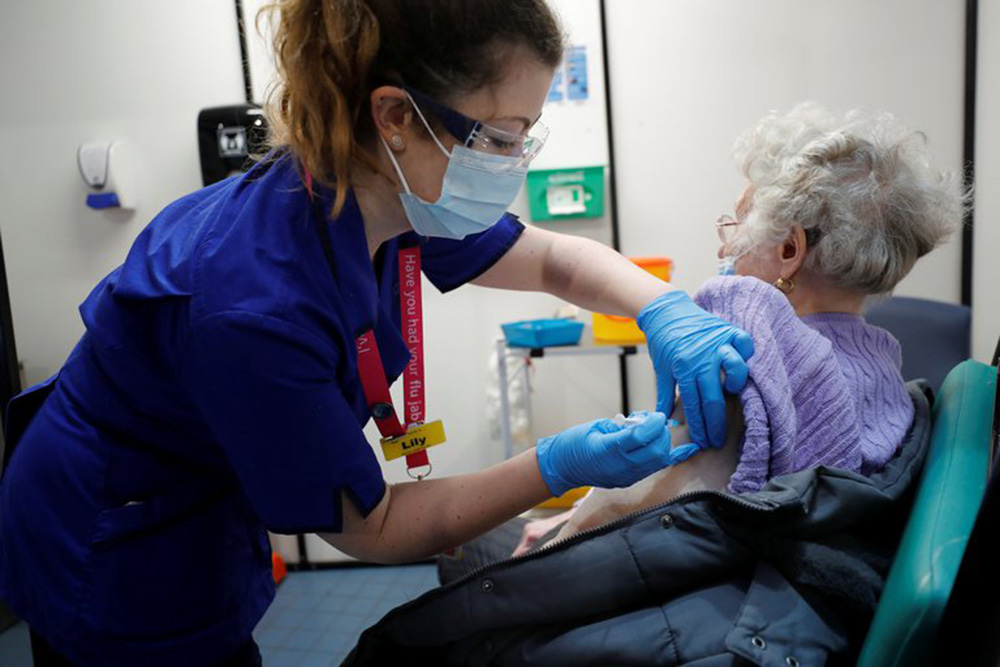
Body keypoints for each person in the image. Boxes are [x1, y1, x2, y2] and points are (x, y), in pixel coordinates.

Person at [0, 1, 754, 665]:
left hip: (195, 488)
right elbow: (376, 527)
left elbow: (554, 260)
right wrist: (560, 464)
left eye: (527, 136)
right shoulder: (255, 304)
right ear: (395, 115)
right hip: (111, 533)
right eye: (501, 137)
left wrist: (665, 308)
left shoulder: (388, 191)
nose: (514, 163)